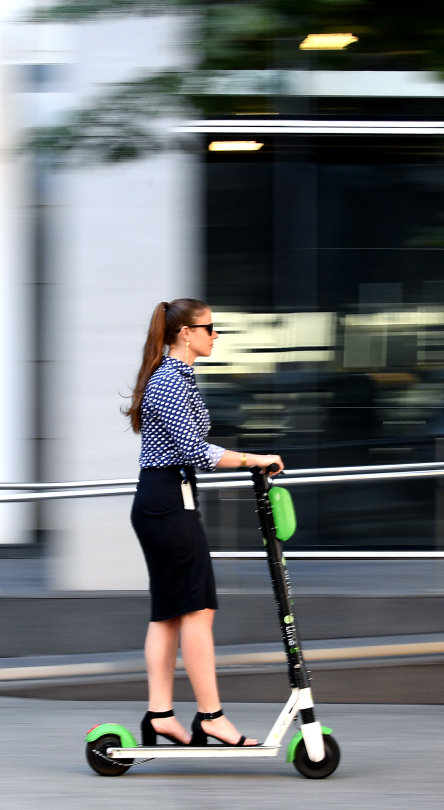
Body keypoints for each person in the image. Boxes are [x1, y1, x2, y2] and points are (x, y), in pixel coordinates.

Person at [124, 298, 284, 748]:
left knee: (170, 615)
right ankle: (211, 717)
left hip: (168, 501)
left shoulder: (177, 378)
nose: (216, 335)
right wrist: (256, 458)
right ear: (185, 334)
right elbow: (196, 451)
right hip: (166, 504)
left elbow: (191, 448)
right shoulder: (169, 381)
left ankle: (160, 716)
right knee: (197, 611)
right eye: (209, 327)